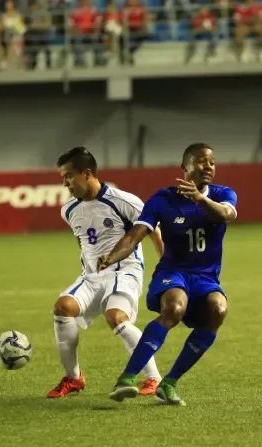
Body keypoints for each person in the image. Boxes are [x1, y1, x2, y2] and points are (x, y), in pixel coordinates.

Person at [98, 143, 238, 406]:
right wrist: (112, 256)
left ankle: (169, 383)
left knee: (218, 310)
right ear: (184, 167)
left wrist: (200, 199)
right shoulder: (163, 199)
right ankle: (127, 378)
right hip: (173, 272)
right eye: (200, 161)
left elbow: (225, 215)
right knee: (174, 307)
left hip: (206, 278)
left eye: (212, 162)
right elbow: (135, 235)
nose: (208, 167)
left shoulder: (223, 194)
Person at [48, 147, 165, 399]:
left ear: (87, 173)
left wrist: (164, 262)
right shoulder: (68, 210)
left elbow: (152, 228)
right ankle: (73, 378)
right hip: (91, 276)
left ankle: (154, 378)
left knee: (116, 317)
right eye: (62, 177)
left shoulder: (123, 200)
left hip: (125, 271)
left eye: (68, 176)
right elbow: (83, 242)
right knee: (62, 308)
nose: (65, 182)